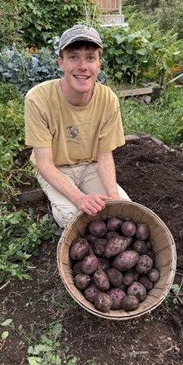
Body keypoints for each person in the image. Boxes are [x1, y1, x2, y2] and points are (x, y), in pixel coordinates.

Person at [24, 24, 130, 231]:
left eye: (90, 58)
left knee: (122, 212)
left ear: (99, 64)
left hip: (91, 166)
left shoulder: (108, 99)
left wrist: (113, 198)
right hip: (56, 168)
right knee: (74, 218)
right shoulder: (38, 99)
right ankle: (56, 201)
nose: (83, 66)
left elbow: (105, 156)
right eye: (73, 57)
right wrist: (80, 198)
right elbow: (44, 163)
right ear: (61, 63)